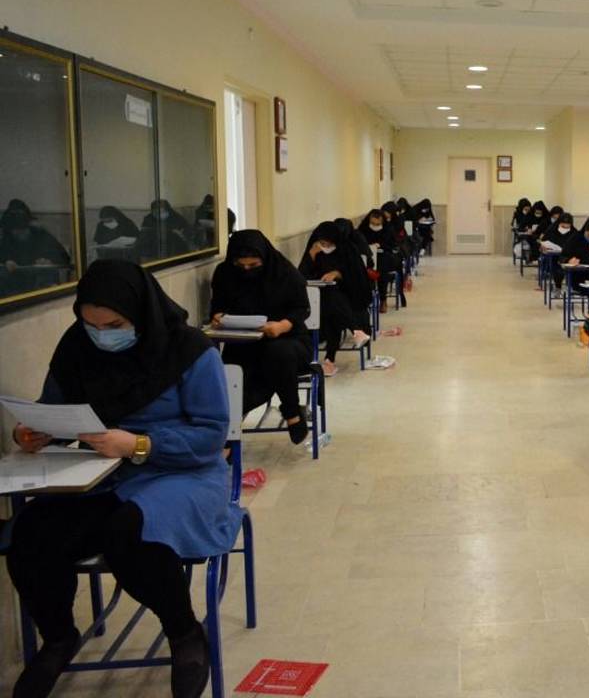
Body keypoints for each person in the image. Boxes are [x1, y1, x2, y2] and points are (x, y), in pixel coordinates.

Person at [6, 259, 240, 698]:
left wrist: (138, 444)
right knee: (31, 535)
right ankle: (58, 637)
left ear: (141, 312)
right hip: (100, 473)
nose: (101, 335)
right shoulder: (76, 347)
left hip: (181, 471)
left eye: (113, 326)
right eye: (90, 325)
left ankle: (184, 632)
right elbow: (53, 405)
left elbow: (210, 435)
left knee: (133, 533)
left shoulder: (189, 350)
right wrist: (32, 431)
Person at [210, 231, 313, 444]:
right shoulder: (224, 273)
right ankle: (227, 438)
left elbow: (302, 308)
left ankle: (291, 412)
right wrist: (218, 317)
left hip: (288, 340)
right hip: (243, 343)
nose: (247, 270)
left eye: (254, 265)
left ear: (264, 259)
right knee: (234, 379)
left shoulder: (283, 272)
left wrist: (282, 326)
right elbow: (218, 305)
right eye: (241, 266)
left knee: (276, 354)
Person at [297, 221, 371, 377]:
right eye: (322, 243)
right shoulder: (314, 251)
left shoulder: (347, 250)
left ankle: (330, 360)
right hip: (318, 300)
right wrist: (311, 255)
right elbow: (301, 277)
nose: (325, 247)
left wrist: (338, 273)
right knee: (331, 302)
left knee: (333, 302)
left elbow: (357, 277)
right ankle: (355, 332)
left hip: (347, 298)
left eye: (329, 244)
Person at [359, 209, 399, 311]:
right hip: (368, 257)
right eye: (373, 224)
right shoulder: (363, 229)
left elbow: (393, 245)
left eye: (377, 224)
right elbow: (358, 242)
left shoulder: (388, 229)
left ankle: (383, 299)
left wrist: (380, 245)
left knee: (382, 270)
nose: (375, 226)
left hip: (384, 257)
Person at [542, 211, 578, 293]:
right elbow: (544, 241)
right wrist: (545, 247)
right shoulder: (552, 230)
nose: (565, 228)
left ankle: (572, 287)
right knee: (556, 268)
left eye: (567, 226)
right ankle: (558, 286)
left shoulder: (574, 232)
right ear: (559, 223)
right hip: (554, 256)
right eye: (563, 226)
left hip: (568, 257)